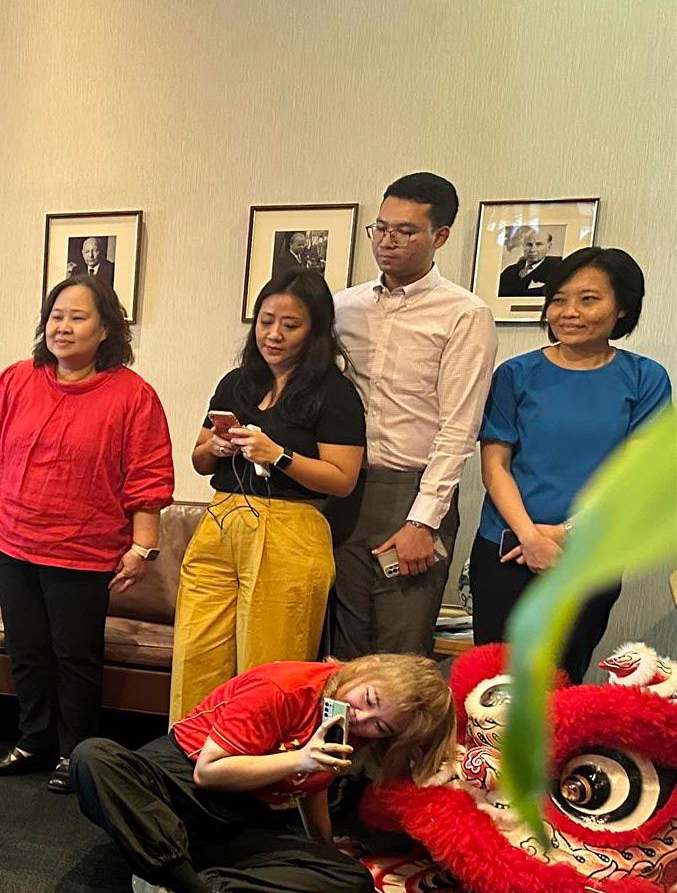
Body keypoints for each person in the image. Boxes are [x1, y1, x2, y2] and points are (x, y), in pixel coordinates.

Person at [71, 653, 455, 893]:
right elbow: (209, 772)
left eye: (381, 728)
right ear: (365, 669)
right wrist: (300, 761)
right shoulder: (284, 687)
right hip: (181, 780)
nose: (363, 720)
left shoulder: (345, 722)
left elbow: (313, 786)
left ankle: (173, 878)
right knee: (93, 757)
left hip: (240, 813)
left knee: (351, 882)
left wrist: (324, 845)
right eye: (369, 700)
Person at [0, 274, 173, 792]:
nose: (64, 327)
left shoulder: (132, 395)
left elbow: (147, 476)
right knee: (27, 650)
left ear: (106, 329)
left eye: (78, 318)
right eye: (57, 316)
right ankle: (32, 740)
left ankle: (76, 755)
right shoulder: (16, 379)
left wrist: (142, 544)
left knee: (75, 656)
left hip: (83, 551)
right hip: (12, 542)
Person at [171, 270, 365, 721]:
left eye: (289, 325)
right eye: (265, 321)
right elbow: (200, 461)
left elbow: (342, 479)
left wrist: (279, 455)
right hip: (221, 520)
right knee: (196, 653)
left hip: (291, 527)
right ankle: (189, 765)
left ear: (315, 331)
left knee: (269, 667)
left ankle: (262, 780)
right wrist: (214, 448)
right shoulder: (237, 382)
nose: (273, 335)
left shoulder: (333, 393)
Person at [471, 247, 671, 682]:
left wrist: (563, 534)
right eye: (559, 299)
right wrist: (531, 536)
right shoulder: (516, 374)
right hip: (507, 547)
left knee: (562, 677)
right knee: (493, 679)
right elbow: (495, 467)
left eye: (588, 299)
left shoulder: (645, 378)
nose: (568, 312)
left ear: (622, 309)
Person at [330, 172, 496, 658]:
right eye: (380, 229)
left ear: (439, 236)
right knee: (342, 648)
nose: (387, 242)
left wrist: (423, 522)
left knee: (399, 655)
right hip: (344, 490)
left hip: (414, 491)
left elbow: (459, 429)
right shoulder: (344, 306)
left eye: (405, 232)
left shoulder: (463, 313)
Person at [497, 227, 564, 298]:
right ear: (523, 246)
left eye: (539, 244)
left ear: (549, 246)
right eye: (529, 244)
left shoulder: (556, 271)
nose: (532, 250)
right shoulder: (509, 271)